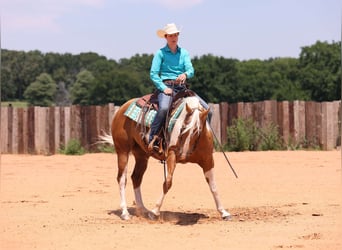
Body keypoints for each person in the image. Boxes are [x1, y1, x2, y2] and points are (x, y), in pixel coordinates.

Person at [148, 23, 211, 151]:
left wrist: (185, 74)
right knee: (164, 108)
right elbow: (153, 74)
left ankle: (202, 139)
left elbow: (191, 69)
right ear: (166, 37)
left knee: (207, 110)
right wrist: (163, 88)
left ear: (178, 36)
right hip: (166, 86)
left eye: (175, 34)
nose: (173, 37)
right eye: (171, 35)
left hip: (182, 88)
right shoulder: (160, 53)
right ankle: (153, 138)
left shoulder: (184, 53)